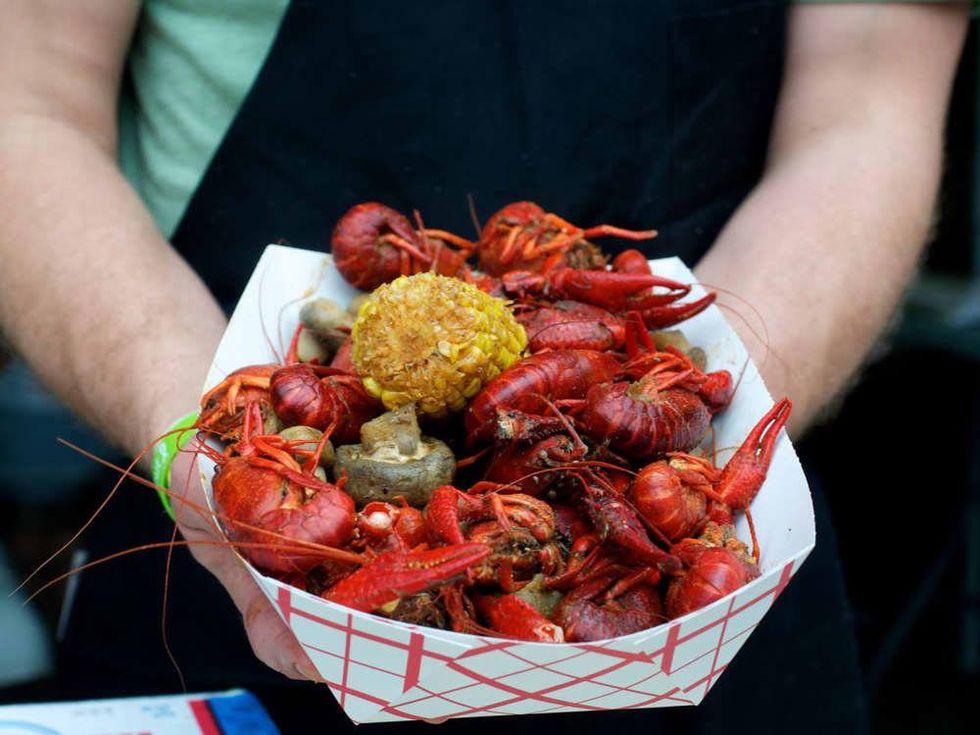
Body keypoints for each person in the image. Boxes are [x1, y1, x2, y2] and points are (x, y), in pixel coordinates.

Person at [0, 1, 968, 732]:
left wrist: (727, 407)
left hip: (705, 607)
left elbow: (867, 106)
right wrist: (192, 437)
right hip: (211, 532)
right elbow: (28, 103)